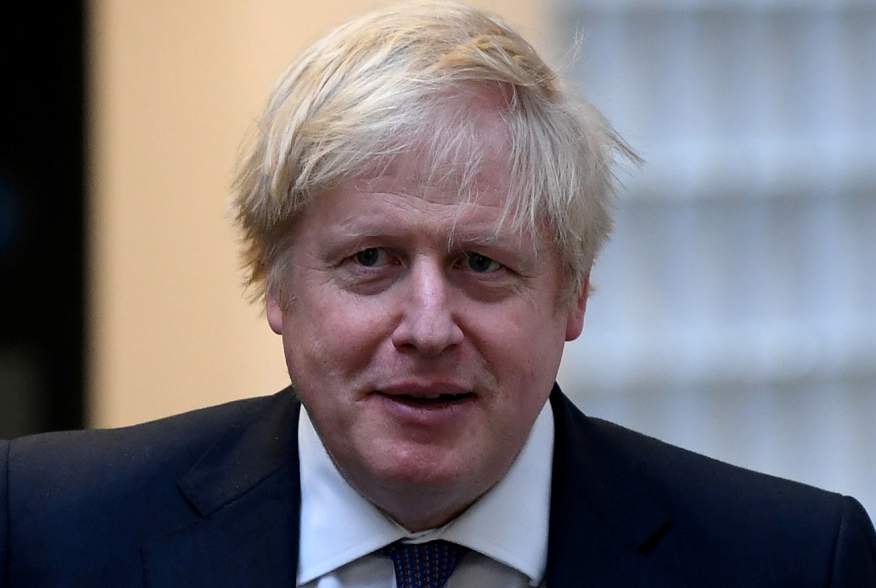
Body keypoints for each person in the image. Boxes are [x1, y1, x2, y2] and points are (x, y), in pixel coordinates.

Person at [1, 2, 874, 586]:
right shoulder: (48, 530)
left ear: (573, 294)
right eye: (372, 260)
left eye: (482, 265)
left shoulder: (793, 561)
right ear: (276, 284)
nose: (427, 328)